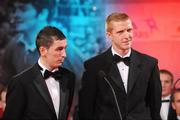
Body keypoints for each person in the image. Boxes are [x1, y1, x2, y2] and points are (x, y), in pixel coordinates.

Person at [79, 12, 162, 120]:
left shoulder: (149, 64)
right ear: (109, 35)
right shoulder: (94, 66)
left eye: (129, 30)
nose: (127, 36)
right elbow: (86, 108)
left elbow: (155, 106)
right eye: (120, 32)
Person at [2, 26, 75, 120]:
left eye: (65, 48)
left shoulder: (69, 77)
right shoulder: (20, 82)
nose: (64, 54)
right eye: (59, 49)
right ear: (43, 51)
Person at [0, 0, 55, 92]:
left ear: (42, 14)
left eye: (23, 9)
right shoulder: (13, 45)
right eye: (15, 10)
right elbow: (5, 81)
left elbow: (80, 85)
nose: (16, 14)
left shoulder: (64, 49)